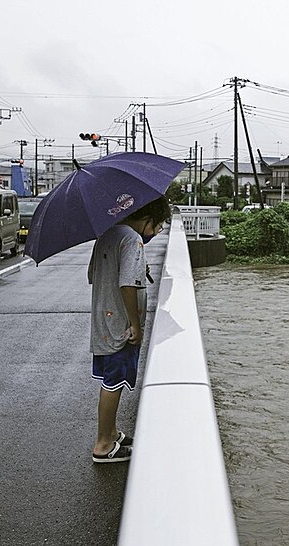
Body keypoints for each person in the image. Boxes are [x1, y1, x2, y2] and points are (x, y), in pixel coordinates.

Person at [87, 196, 171, 463]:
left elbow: (93, 275)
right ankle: (103, 444)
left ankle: (111, 432)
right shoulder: (132, 239)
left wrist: (135, 266)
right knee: (114, 383)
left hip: (103, 323)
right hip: (120, 326)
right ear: (147, 219)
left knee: (109, 379)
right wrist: (135, 324)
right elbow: (127, 285)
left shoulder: (108, 234)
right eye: (157, 228)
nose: (156, 234)